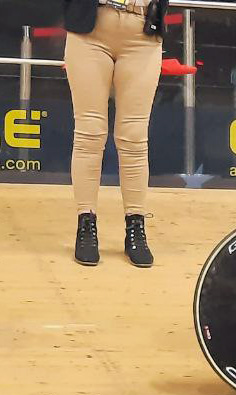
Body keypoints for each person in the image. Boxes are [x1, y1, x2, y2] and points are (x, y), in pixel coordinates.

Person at [65, 0, 169, 268]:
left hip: (143, 31)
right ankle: (86, 224)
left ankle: (136, 225)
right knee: (89, 133)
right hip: (89, 31)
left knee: (134, 136)